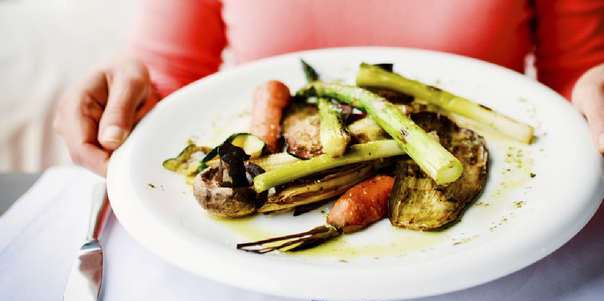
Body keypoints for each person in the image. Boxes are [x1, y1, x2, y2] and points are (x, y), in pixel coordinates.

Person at [54, 0, 604, 176]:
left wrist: (594, 91)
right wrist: (131, 99)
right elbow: (172, 78)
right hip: (258, 242)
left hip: (494, 227)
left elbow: (577, 74)